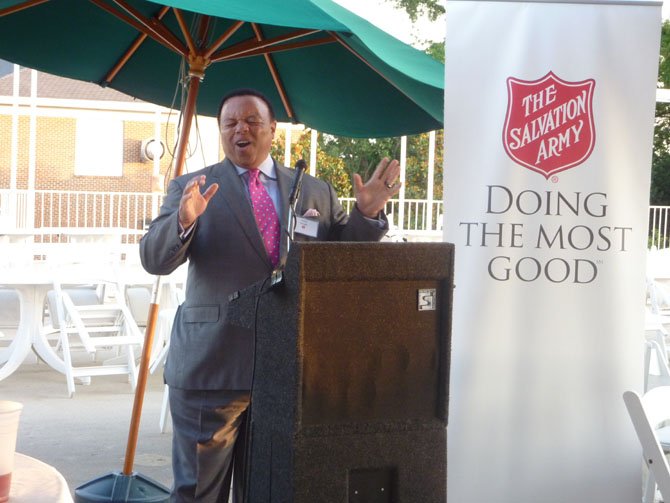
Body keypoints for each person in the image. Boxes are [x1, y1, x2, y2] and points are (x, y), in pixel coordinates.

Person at [139, 87, 401, 502]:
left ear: (272, 129)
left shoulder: (314, 191)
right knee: (196, 494)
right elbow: (154, 259)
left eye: (251, 121)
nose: (240, 129)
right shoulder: (192, 186)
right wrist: (184, 222)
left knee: (271, 490)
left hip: (286, 370)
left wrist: (366, 216)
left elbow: (340, 264)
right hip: (212, 368)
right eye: (230, 124)